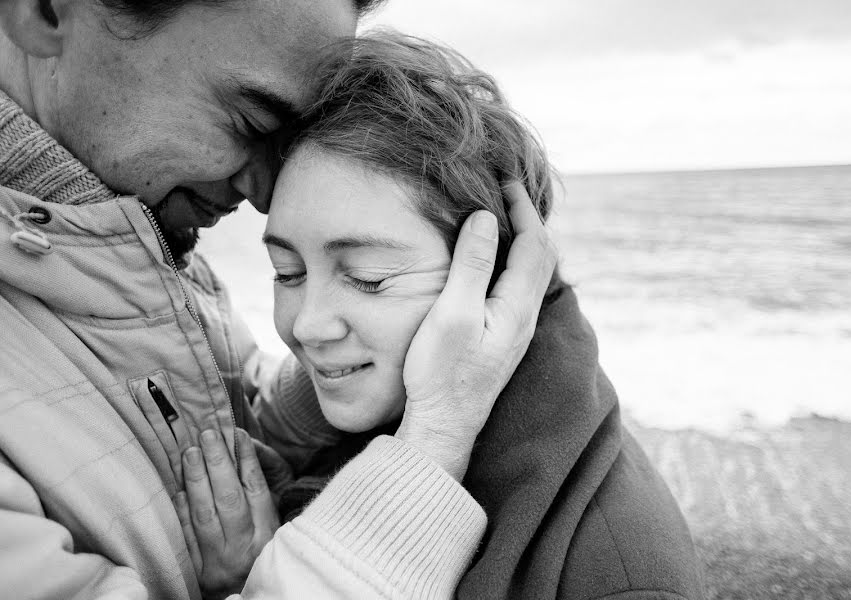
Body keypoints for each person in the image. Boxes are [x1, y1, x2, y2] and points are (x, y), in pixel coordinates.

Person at [0, 1, 557, 599]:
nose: (267, 193)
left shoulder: (129, 232)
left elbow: (217, 401)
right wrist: (434, 440)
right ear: (46, 11)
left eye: (367, 275)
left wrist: (374, 358)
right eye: (249, 121)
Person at [184, 32, 704, 599]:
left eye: (367, 278)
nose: (306, 326)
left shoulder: (616, 579)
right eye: (288, 272)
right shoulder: (375, 411)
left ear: (489, 279)